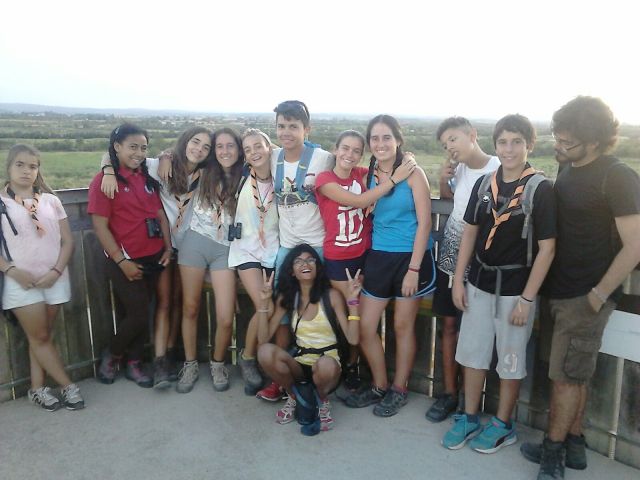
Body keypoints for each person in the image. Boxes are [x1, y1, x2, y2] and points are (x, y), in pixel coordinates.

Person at [519, 97, 640, 480]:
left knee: (565, 378)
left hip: (584, 296)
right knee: (573, 373)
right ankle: (574, 445)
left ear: (594, 141)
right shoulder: (568, 167)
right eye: (558, 137)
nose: (559, 145)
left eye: (567, 141)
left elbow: (635, 244)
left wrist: (598, 295)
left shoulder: (617, 176)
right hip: (558, 288)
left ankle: (552, 455)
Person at [441, 114, 556, 454]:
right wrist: (459, 281)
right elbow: (470, 233)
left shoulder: (540, 188)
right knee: (473, 354)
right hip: (479, 282)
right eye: (503, 142)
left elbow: (548, 249)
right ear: (495, 145)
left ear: (529, 145)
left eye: (517, 142)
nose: (509, 149)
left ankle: (503, 424)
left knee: (510, 359)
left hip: (516, 288)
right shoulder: (484, 184)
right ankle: (469, 415)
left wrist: (527, 299)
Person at [100, 126, 213, 388]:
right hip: (163, 245)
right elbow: (114, 155)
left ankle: (170, 354)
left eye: (206, 147)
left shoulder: (207, 174)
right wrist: (107, 170)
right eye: (195, 141)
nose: (199, 149)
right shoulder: (157, 166)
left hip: (189, 247)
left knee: (180, 303)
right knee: (164, 302)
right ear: (185, 141)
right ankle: (160, 359)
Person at [344, 114, 436, 417]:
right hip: (379, 256)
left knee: (402, 326)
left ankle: (399, 388)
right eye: (375, 138)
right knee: (366, 326)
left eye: (387, 137)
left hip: (410, 257)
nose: (380, 143)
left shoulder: (414, 173)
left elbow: (425, 223)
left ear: (398, 140)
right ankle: (379, 385)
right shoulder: (366, 174)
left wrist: (414, 269)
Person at [315, 130, 416, 390]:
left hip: (365, 256)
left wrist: (407, 160)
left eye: (356, 151)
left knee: (361, 319)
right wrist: (395, 179)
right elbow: (360, 201)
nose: (349, 154)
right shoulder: (325, 180)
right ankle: (347, 366)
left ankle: (357, 369)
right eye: (345, 148)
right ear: (335, 149)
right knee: (350, 315)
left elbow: (386, 168)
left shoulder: (362, 175)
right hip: (339, 259)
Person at [256, 100, 334, 402]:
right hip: (287, 247)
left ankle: (335, 371)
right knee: (284, 309)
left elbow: (353, 168)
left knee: (324, 309)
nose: (286, 132)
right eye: (281, 126)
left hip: (317, 246)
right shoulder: (273, 156)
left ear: (306, 129)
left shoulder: (323, 159)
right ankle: (282, 374)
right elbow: (244, 156)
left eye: (293, 126)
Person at [426, 117, 500, 422]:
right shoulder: (460, 170)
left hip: (482, 262)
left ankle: (470, 403)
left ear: (472, 135)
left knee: (476, 332)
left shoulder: (498, 168)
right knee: (448, 325)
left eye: (453, 139)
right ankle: (449, 393)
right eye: (446, 145)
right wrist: (444, 181)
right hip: (450, 258)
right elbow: (451, 201)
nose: (450, 148)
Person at [88, 123, 173, 388]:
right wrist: (122, 261)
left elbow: (159, 215)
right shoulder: (105, 181)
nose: (138, 153)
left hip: (154, 256)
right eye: (132, 147)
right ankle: (112, 355)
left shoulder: (146, 178)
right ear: (117, 147)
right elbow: (100, 226)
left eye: (143, 148)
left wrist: (168, 248)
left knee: (142, 312)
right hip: (124, 259)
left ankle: (134, 363)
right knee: (137, 313)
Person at [0, 144, 84, 411]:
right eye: (20, 165)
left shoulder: (51, 201)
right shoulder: (1, 203)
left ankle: (37, 389)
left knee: (42, 336)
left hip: (55, 277)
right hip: (21, 282)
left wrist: (56, 271)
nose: (26, 171)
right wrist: (11, 271)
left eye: (32, 166)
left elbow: (67, 241)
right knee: (40, 337)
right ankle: (68, 386)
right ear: (9, 167)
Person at [256, 244, 359, 434]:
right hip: (300, 364)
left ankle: (321, 399)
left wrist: (353, 302)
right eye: (298, 261)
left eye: (310, 259)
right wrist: (263, 304)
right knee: (265, 352)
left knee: (326, 364)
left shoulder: (332, 296)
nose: (305, 264)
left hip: (328, 366)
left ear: (318, 267)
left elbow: (353, 339)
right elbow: (263, 339)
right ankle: (295, 396)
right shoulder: (289, 297)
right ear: (292, 271)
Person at [175, 127, 243, 394]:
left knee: (225, 317)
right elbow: (174, 158)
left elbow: (267, 153)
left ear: (238, 149)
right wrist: (167, 156)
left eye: (230, 146)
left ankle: (218, 363)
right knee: (190, 308)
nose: (225, 151)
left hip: (225, 249)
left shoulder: (245, 175)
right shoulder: (203, 172)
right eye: (219, 146)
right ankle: (190, 364)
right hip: (195, 242)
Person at [228, 128, 279, 394]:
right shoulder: (240, 175)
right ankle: (248, 358)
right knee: (263, 305)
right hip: (245, 250)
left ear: (270, 148)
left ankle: (264, 361)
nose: (254, 152)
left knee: (275, 310)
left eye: (258, 146)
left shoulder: (283, 174)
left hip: (273, 251)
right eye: (247, 149)